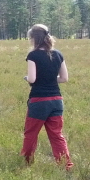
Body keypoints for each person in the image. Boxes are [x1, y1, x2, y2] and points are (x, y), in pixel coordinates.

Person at [20, 24, 72, 169]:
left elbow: (32, 79)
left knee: (31, 133)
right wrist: (49, 77)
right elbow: (64, 78)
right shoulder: (58, 54)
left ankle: (26, 162)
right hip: (56, 101)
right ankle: (66, 165)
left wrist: (27, 78)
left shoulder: (33, 55)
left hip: (39, 102)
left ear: (33, 38)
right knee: (57, 135)